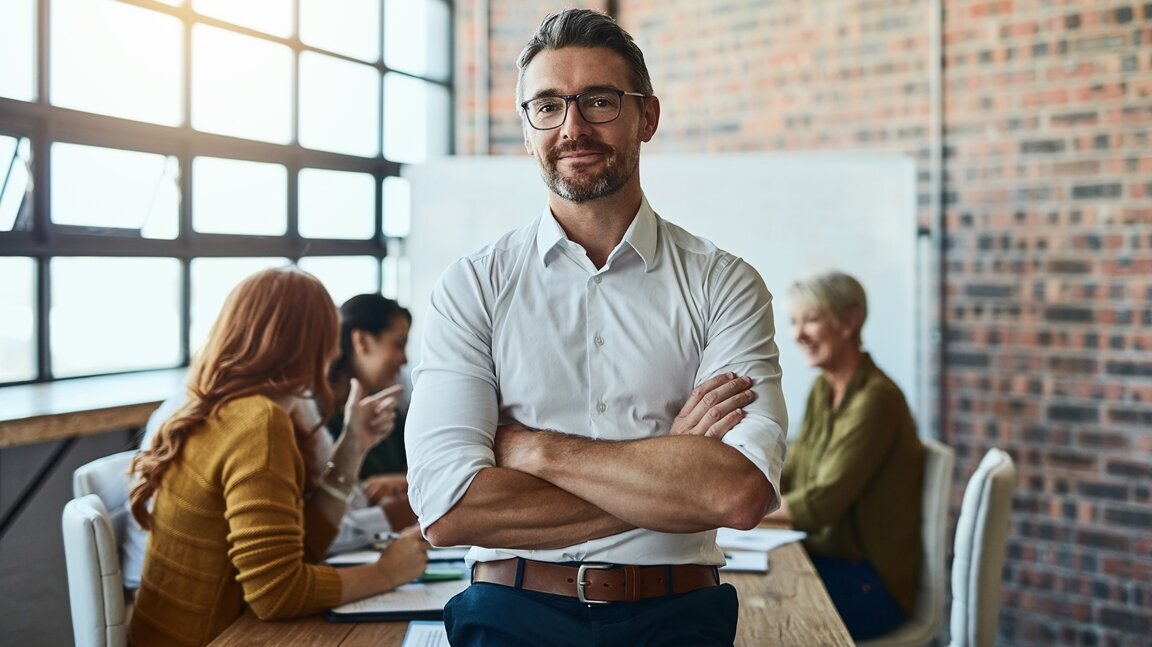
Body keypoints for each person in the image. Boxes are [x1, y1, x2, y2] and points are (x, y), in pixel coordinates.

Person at [404, 9, 788, 645]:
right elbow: (448, 510)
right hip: (509, 614)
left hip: (677, 618)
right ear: (528, 130)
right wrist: (668, 462)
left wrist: (533, 448)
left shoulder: (725, 283)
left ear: (648, 117)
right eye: (548, 106)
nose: (572, 127)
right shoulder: (472, 287)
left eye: (599, 102)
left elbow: (736, 492)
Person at [126, 267, 427, 646]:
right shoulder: (260, 422)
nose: (335, 348)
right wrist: (387, 573)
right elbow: (276, 594)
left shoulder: (228, 406)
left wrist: (352, 445)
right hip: (217, 637)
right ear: (308, 343)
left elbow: (301, 550)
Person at [766, 270, 923, 640]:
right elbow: (791, 470)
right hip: (829, 562)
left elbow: (821, 503)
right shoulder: (824, 389)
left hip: (871, 584)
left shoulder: (876, 400)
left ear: (849, 321)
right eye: (794, 321)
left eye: (812, 319)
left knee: (758, 615)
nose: (798, 334)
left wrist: (740, 509)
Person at [324, 293, 415, 527]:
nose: (404, 359)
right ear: (362, 341)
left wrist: (402, 481)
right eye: (398, 344)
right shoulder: (316, 418)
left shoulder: (389, 412)